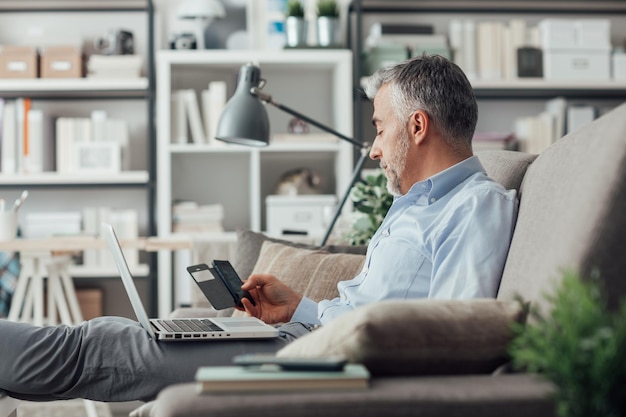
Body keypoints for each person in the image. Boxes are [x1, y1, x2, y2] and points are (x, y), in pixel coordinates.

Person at [0, 55, 517, 403]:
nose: (375, 147)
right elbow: (370, 305)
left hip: (320, 363)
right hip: (304, 338)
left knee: (100, 348)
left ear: (418, 126)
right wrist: (302, 309)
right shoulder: (412, 205)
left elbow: (454, 337)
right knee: (106, 337)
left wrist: (319, 340)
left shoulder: (476, 207)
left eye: (379, 128)